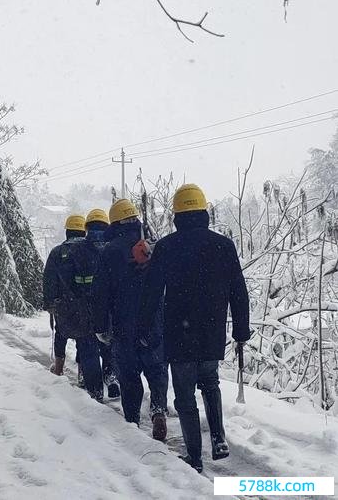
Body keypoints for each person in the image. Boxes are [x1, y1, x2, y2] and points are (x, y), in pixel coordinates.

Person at [138, 184, 250, 473]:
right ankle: (218, 437)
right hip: (211, 331)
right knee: (210, 382)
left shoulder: (166, 247)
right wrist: (241, 329)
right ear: (204, 211)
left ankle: (195, 457)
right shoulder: (223, 245)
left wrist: (144, 326)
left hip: (179, 332)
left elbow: (150, 293)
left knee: (185, 394)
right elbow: (239, 290)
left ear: (177, 214)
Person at [99, 199, 169, 440]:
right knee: (156, 368)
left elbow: (101, 292)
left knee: (129, 376)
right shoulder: (153, 246)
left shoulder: (109, 251)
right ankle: (159, 409)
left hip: (124, 323)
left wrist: (101, 327)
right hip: (154, 321)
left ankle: (132, 421)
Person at [43, 214, 104, 401]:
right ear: (83, 231)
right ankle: (92, 385)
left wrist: (50, 303)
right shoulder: (92, 250)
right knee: (87, 344)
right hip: (88, 307)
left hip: (65, 309)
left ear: (67, 231)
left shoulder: (57, 253)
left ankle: (59, 368)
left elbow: (49, 281)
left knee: (61, 334)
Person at [84, 208, 120, 399]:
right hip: (110, 309)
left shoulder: (78, 249)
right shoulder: (112, 248)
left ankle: (95, 390)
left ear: (87, 228)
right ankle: (111, 376)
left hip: (84, 308)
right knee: (108, 346)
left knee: (89, 349)